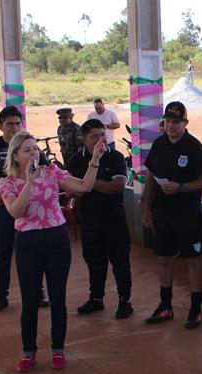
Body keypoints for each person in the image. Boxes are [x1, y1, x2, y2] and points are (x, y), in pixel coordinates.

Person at [0, 131, 105, 373]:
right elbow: (16, 212)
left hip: (57, 239)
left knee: (58, 298)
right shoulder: (7, 182)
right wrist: (28, 181)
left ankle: (58, 349)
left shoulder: (51, 172)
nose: (34, 153)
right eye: (27, 150)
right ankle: (29, 352)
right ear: (15, 156)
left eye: (35, 148)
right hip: (28, 242)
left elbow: (84, 186)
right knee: (30, 301)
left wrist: (95, 159)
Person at [141, 102, 202, 329]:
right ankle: (165, 306)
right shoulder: (159, 144)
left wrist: (180, 187)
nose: (171, 126)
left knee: (194, 260)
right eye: (168, 121)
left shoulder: (194, 147)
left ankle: (195, 309)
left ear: (185, 123)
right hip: (162, 212)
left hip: (188, 213)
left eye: (176, 122)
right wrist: (146, 208)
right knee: (163, 258)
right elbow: (151, 176)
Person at [0, 106, 49, 313]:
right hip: (3, 207)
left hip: (29, 207)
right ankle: (0, 296)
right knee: (3, 252)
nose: (14, 127)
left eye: (17, 123)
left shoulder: (31, 146)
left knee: (34, 251)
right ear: (0, 126)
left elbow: (46, 171)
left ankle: (38, 291)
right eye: (9, 124)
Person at [67, 119, 133, 319]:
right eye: (95, 136)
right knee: (94, 261)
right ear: (84, 138)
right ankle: (96, 299)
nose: (100, 139)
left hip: (114, 220)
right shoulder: (76, 161)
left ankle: (124, 301)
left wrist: (88, 184)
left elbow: (118, 186)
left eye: (101, 134)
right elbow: (71, 190)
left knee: (120, 262)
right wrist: (84, 187)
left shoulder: (115, 157)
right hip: (89, 220)